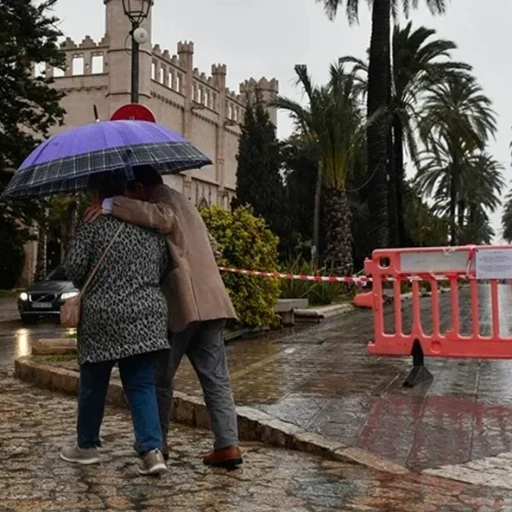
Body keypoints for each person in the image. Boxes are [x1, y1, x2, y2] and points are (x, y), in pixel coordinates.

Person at [87, 166, 242, 469]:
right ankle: (227, 445)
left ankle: (156, 443)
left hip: (185, 306)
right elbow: (213, 249)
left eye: (132, 193)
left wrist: (108, 205)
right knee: (217, 380)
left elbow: (160, 217)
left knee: (158, 378)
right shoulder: (187, 203)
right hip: (213, 303)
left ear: (141, 188)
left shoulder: (165, 203)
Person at [61, 170, 170, 476]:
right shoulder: (148, 228)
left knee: (94, 384)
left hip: (102, 318)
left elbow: (74, 268)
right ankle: (152, 452)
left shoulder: (93, 226)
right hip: (147, 316)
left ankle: (86, 446)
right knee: (141, 385)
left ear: (96, 195)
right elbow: (162, 267)